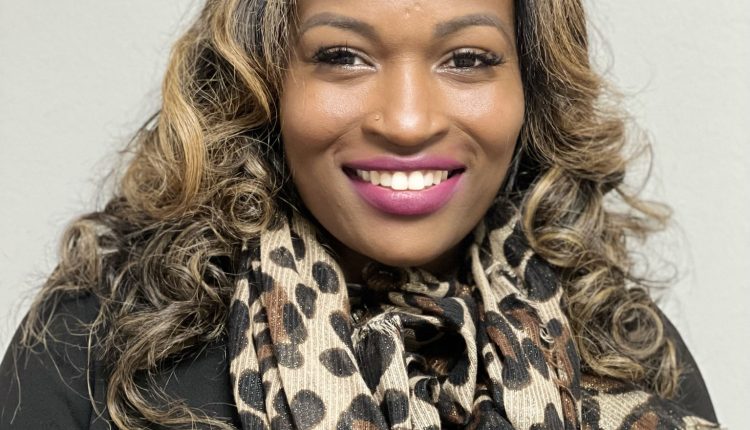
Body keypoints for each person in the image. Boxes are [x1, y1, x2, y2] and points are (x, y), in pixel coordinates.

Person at [0, 0, 720, 429]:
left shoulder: (624, 345)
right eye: (343, 55)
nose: (406, 122)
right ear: (265, 77)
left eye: (468, 59)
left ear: (532, 86)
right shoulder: (96, 343)